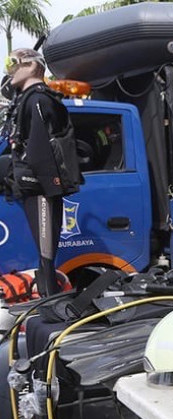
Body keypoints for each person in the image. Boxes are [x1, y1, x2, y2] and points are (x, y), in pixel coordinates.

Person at [5, 49, 74, 297]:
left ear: (34, 67)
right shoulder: (26, 100)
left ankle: (50, 301)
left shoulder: (38, 100)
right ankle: (47, 299)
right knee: (43, 250)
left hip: (41, 189)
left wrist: (48, 185)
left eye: (14, 63)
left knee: (46, 254)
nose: (9, 70)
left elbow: (41, 148)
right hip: (34, 187)